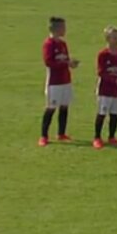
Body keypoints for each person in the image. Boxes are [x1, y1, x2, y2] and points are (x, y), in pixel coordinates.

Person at [40, 16, 79, 146]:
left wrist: (71, 64)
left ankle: (61, 133)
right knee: (51, 107)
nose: (65, 29)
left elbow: (65, 60)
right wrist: (66, 63)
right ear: (56, 29)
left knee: (64, 106)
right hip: (54, 82)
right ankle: (43, 136)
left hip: (65, 80)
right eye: (63, 27)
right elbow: (49, 62)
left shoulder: (63, 44)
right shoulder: (48, 44)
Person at [93, 26, 117, 148]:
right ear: (108, 39)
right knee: (102, 113)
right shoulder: (102, 55)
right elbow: (101, 72)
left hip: (116, 90)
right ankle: (97, 137)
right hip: (105, 89)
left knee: (114, 114)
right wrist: (116, 80)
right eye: (114, 37)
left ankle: (112, 136)